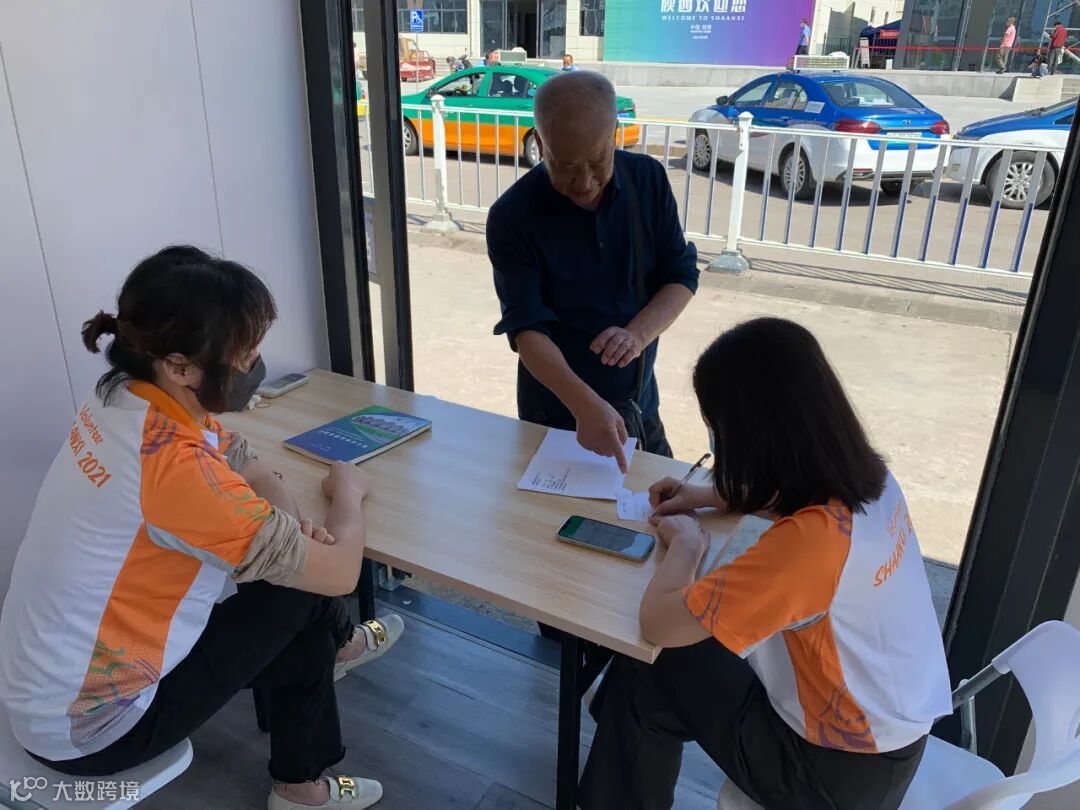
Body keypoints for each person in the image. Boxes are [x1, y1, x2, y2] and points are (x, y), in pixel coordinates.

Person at [0, 246, 404, 810]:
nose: (255, 363)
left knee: (298, 604)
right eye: (245, 353)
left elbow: (244, 461)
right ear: (180, 365)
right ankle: (321, 714)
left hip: (44, 686)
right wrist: (348, 495)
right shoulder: (173, 470)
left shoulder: (123, 395)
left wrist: (288, 528)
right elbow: (339, 574)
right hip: (93, 729)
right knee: (300, 595)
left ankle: (313, 739)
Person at [579, 317, 952, 810]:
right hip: (886, 736)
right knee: (650, 680)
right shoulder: (869, 479)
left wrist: (687, 543)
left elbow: (657, 623)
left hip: (827, 776)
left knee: (650, 660)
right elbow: (791, 491)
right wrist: (714, 495)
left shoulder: (808, 548)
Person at [488, 71, 699, 472]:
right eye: (565, 165)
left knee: (660, 501)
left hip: (639, 405)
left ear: (614, 136)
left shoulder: (647, 180)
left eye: (598, 161)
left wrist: (637, 334)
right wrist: (583, 405)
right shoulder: (512, 215)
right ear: (540, 144)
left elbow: (681, 275)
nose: (584, 182)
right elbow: (527, 329)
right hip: (555, 411)